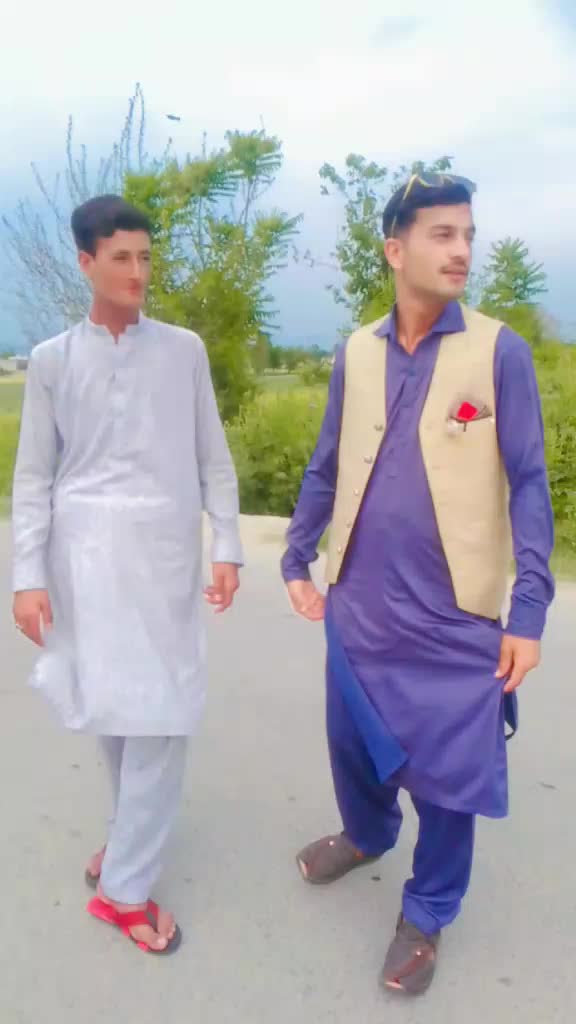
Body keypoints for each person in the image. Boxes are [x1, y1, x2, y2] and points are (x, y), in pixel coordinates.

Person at [281, 173, 555, 994]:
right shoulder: (356, 351)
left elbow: (529, 482)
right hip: (360, 597)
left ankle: (428, 910)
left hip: (455, 612)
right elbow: (329, 460)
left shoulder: (498, 352)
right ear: (395, 250)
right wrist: (296, 553)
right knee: (353, 742)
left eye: (467, 234)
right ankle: (368, 833)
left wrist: (528, 612)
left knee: (450, 777)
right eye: (443, 234)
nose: (462, 250)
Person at [12, 194, 243, 955]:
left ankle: (124, 873)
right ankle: (125, 878)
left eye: (145, 257)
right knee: (115, 709)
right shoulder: (52, 360)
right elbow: (34, 477)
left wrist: (227, 545)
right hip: (84, 560)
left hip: (163, 559)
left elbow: (212, 457)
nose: (138, 272)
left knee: (164, 715)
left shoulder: (183, 351)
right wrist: (26, 575)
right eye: (121, 258)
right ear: (87, 262)